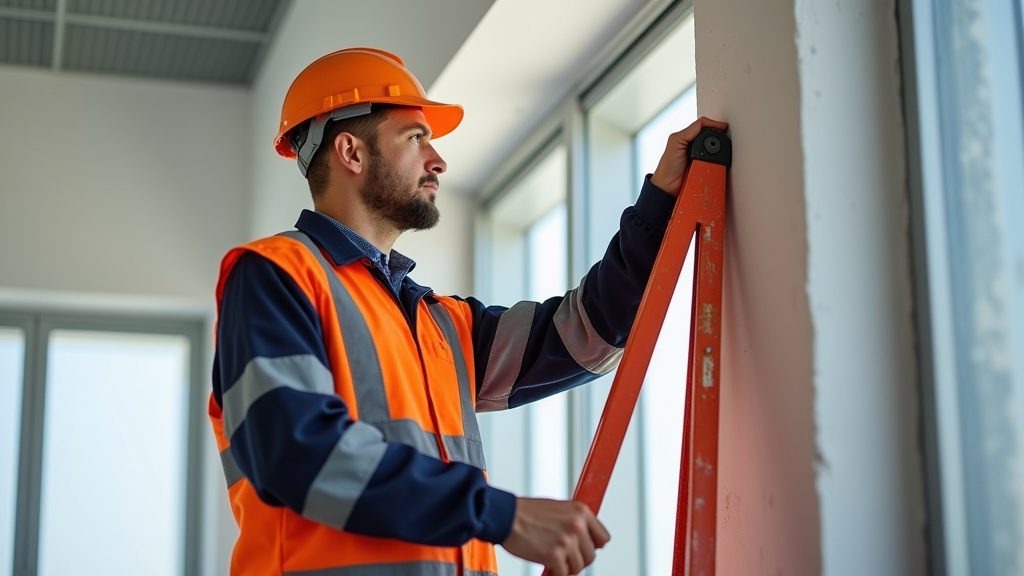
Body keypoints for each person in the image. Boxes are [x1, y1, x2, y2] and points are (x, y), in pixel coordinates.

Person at [208, 47, 727, 576]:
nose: (438, 160)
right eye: (415, 138)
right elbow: (292, 450)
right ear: (351, 152)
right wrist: (499, 514)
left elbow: (589, 334)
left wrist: (660, 201)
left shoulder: (438, 324)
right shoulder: (275, 275)